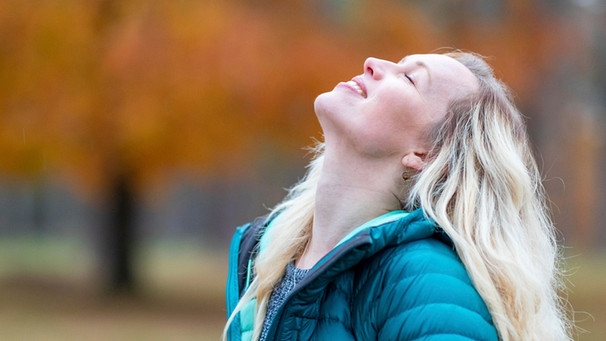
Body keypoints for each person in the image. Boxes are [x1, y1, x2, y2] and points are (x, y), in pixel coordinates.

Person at [224, 51, 571, 340]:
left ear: (425, 154)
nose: (372, 62)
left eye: (408, 79)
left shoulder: (428, 283)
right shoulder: (260, 254)